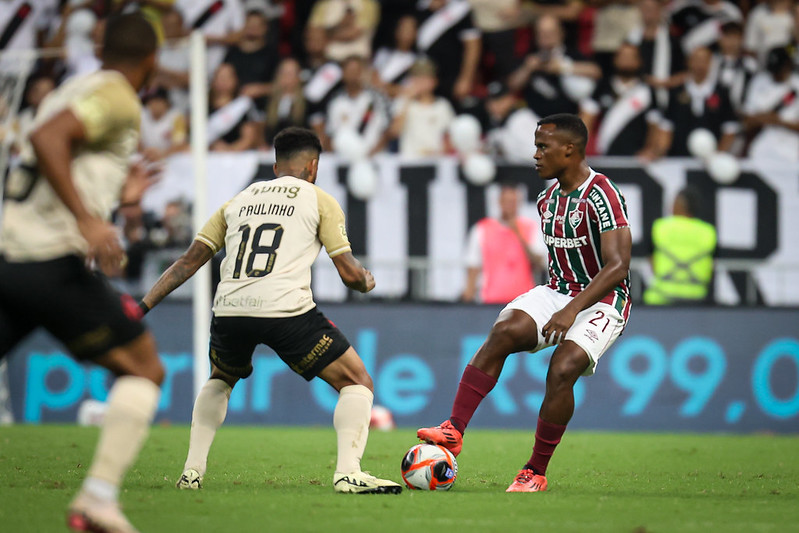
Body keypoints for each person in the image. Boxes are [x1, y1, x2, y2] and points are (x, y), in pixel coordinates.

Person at [138, 127, 402, 495]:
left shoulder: (237, 201)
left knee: (221, 378)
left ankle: (191, 472)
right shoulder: (318, 198)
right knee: (357, 381)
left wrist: (142, 306)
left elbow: (188, 262)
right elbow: (348, 274)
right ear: (313, 166)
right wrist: (366, 281)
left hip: (229, 308)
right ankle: (348, 473)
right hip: (284, 309)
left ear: (276, 166)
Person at [0, 14, 163, 533]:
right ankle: (97, 498)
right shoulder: (118, 95)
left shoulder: (73, 88)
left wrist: (115, 206)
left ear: (101, 46)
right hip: (49, 263)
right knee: (144, 370)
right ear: (153, 60)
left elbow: (53, 144)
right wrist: (87, 219)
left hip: (12, 256)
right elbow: (51, 139)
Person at [418, 114, 632, 493]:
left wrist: (571, 311)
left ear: (570, 149)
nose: (535, 155)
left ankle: (534, 470)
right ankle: (454, 429)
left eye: (542, 147)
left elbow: (618, 266)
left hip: (604, 299)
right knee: (503, 331)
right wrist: (561, 303)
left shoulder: (602, 194)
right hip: (557, 290)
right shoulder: (546, 199)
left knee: (563, 367)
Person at [462, 183, 546, 304]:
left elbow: (539, 262)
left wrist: (519, 234)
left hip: (523, 301)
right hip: (490, 299)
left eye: (513, 202)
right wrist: (469, 292)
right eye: (506, 201)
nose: (509, 206)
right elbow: (473, 265)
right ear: (500, 202)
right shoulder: (482, 229)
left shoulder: (529, 228)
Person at [643, 186, 716, 305]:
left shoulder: (660, 227)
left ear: (678, 204)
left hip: (660, 297)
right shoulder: (708, 232)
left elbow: (652, 261)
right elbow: (712, 265)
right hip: (697, 299)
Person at [389, 58, 455, 158]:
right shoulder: (403, 102)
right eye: (416, 78)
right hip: (410, 161)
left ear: (434, 81)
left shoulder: (443, 105)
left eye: (424, 78)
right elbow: (395, 132)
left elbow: (451, 136)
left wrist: (442, 150)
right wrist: (407, 100)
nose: (420, 82)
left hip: (437, 160)